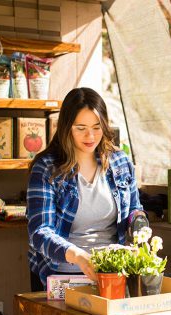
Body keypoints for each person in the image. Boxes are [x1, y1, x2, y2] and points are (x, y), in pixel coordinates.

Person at [27, 87, 146, 291]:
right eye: (80, 128)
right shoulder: (47, 168)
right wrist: (79, 256)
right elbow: (40, 232)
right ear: (66, 128)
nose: (90, 135)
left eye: (97, 127)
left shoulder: (120, 162)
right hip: (63, 275)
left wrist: (139, 223)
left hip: (111, 273)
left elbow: (134, 208)